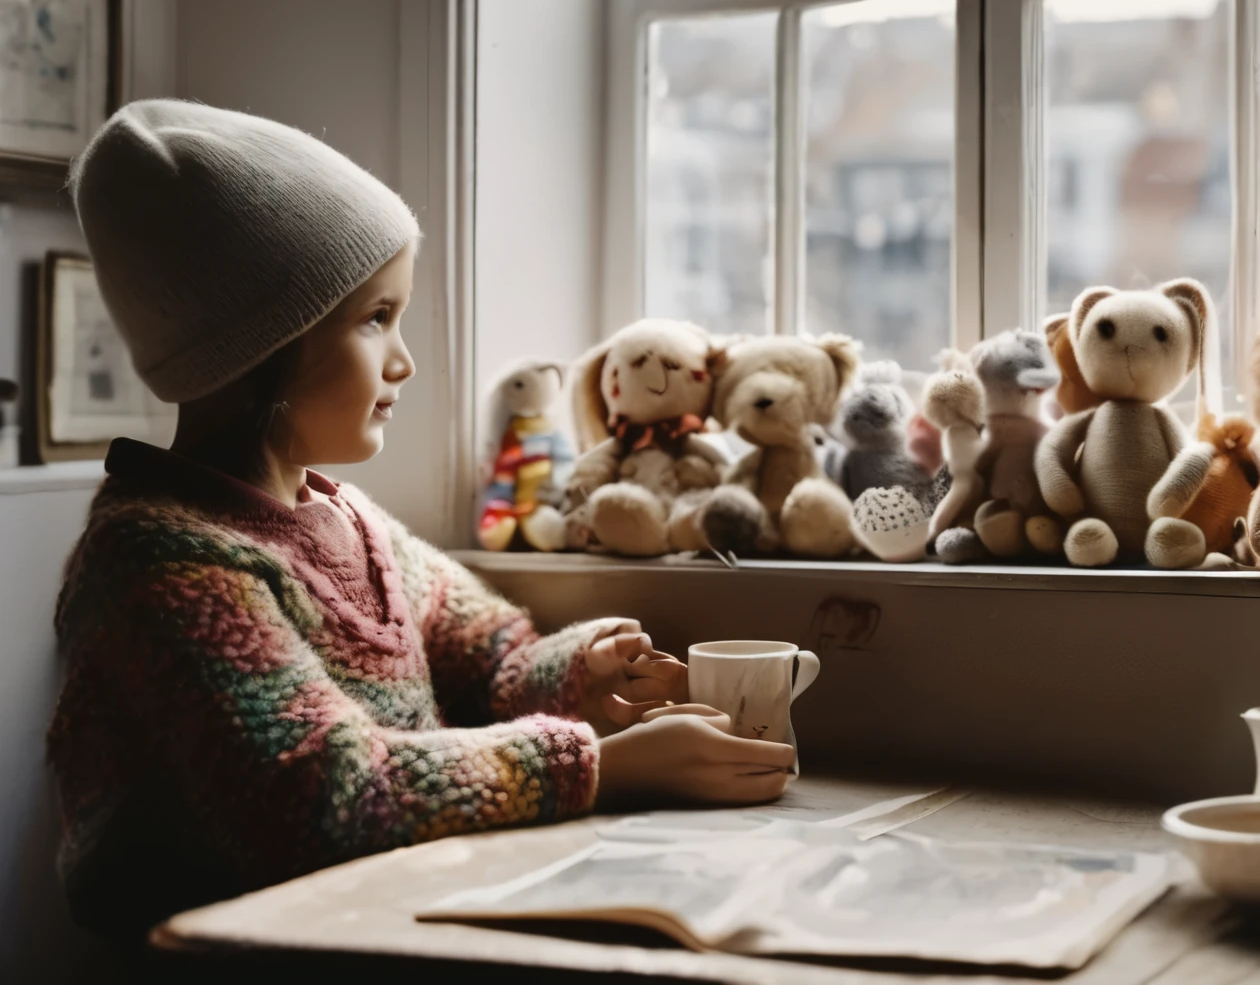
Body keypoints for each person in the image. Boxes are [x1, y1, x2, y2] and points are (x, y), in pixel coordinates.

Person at [44, 100, 795, 939]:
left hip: (379, 921)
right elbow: (328, 796)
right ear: (258, 343)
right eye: (375, 319)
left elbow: (489, 653)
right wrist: (602, 767)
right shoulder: (161, 563)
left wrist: (582, 670)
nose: (402, 360)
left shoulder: (343, 519)